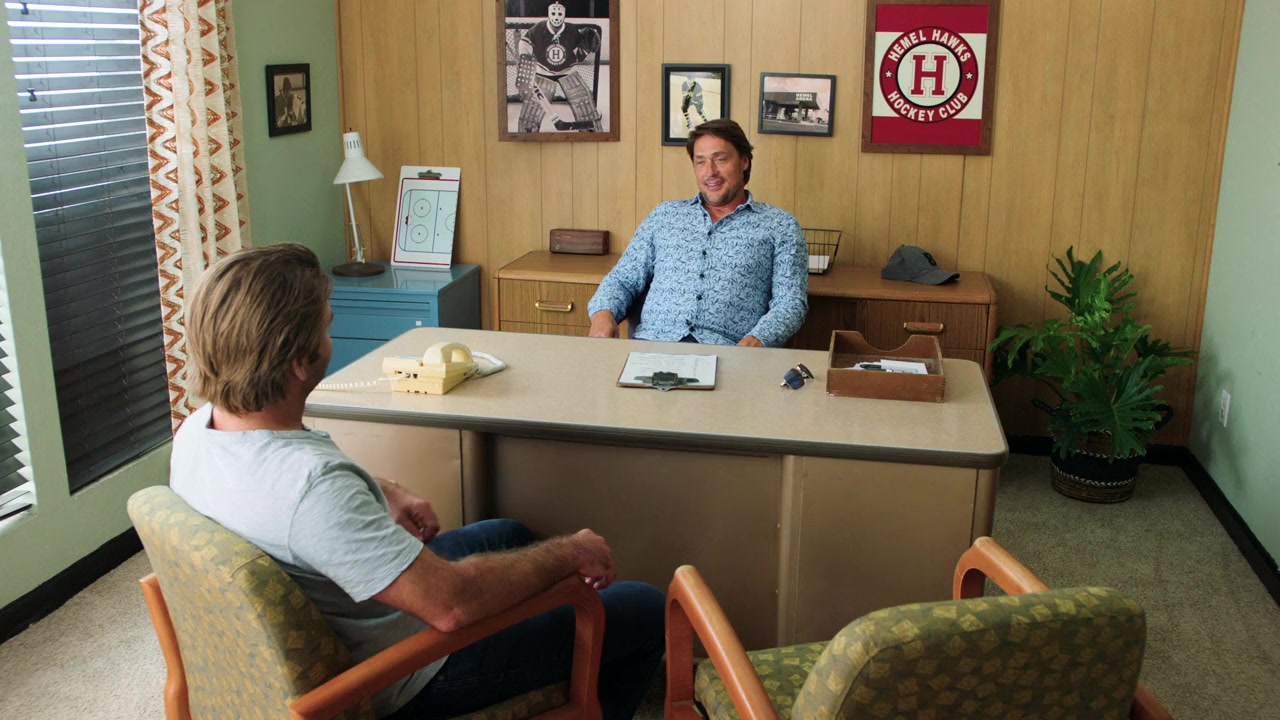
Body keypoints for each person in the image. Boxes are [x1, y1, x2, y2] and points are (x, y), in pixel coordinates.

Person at [169, 244, 664, 720]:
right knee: (644, 606)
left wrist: (382, 489)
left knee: (509, 532)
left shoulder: (200, 430)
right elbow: (452, 605)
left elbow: (298, 498)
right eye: (326, 327)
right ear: (298, 362)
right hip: (409, 672)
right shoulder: (313, 488)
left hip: (351, 605)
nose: (330, 339)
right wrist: (571, 552)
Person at [587, 118, 808, 347]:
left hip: (728, 352)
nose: (710, 172)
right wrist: (603, 314)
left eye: (720, 159)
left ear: (744, 161)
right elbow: (622, 279)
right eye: (700, 162)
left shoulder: (780, 226)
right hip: (652, 346)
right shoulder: (664, 216)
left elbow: (790, 303)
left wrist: (758, 340)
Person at [515, 1, 601, 133]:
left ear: (564, 15)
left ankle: (590, 133)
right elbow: (524, 43)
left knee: (584, 104)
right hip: (543, 72)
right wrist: (525, 55)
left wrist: (583, 50)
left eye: (560, 14)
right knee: (531, 114)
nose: (556, 17)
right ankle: (528, 135)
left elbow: (581, 51)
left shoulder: (572, 30)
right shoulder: (538, 28)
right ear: (548, 14)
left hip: (568, 71)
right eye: (553, 13)